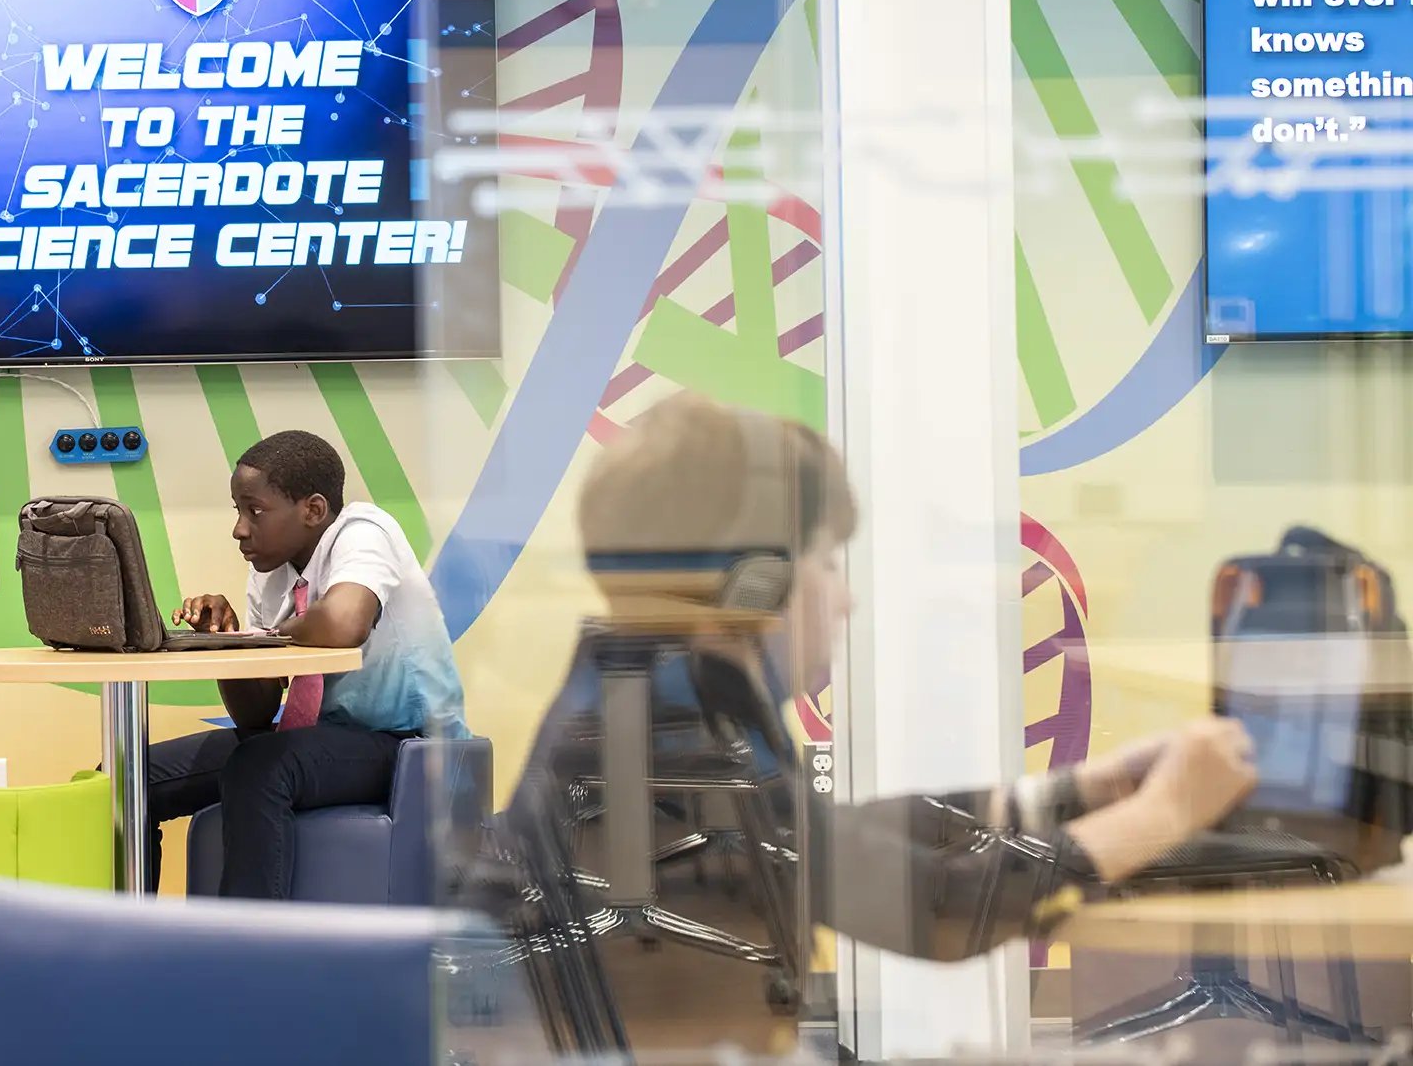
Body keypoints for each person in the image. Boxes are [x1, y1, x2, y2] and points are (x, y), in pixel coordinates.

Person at [490, 394, 1261, 981]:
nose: (847, 596)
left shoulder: (649, 690)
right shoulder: (676, 734)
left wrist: (1074, 790)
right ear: (756, 585)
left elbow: (825, 836)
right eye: (828, 562)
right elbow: (940, 911)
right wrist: (1167, 810)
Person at [144, 429, 468, 898]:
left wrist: (262, 637)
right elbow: (254, 715)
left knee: (261, 764)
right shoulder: (269, 573)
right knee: (131, 778)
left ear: (313, 510)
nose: (239, 528)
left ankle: (253, 955)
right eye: (238, 510)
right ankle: (121, 942)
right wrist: (226, 644)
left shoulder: (363, 531)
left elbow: (343, 623)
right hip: (323, 740)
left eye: (254, 511)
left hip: (409, 743)